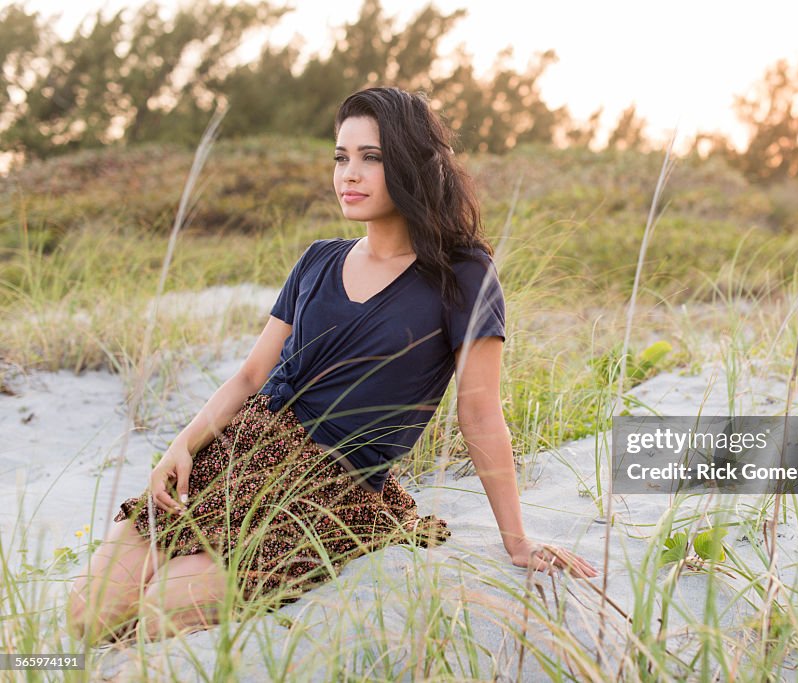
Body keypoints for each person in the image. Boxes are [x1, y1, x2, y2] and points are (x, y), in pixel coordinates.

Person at [66, 86, 598, 647]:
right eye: (341, 158)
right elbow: (250, 376)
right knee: (87, 615)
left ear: (413, 165)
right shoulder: (318, 259)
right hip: (232, 457)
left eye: (372, 157)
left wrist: (516, 541)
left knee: (158, 610)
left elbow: (481, 414)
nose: (350, 173)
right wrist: (183, 444)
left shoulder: (462, 273)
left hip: (327, 490)